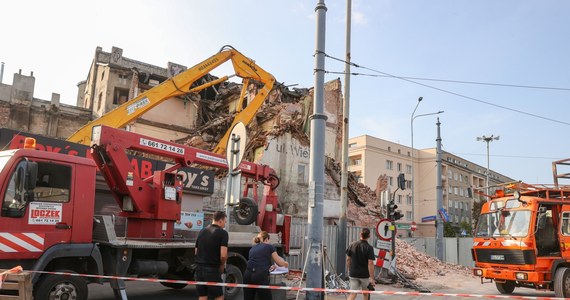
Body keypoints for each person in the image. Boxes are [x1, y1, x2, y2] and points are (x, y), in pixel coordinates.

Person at [243, 231, 288, 300]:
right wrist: (285, 263)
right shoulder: (269, 246)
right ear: (266, 239)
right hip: (259, 276)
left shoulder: (252, 248)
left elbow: (257, 262)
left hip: (247, 275)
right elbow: (279, 262)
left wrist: (269, 267)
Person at [194, 211, 228, 300]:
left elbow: (196, 251)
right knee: (219, 296)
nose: (225, 224)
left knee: (202, 295)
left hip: (199, 268)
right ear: (220, 220)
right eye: (225, 221)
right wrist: (222, 265)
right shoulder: (223, 233)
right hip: (212, 269)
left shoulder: (202, 231)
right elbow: (223, 255)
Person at [346, 228, 376, 300]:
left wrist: (349, 270)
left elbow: (348, 259)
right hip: (364, 275)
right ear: (369, 236)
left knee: (353, 294)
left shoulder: (352, 245)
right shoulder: (369, 248)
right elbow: (370, 263)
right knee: (366, 294)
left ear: (360, 234)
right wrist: (372, 278)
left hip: (353, 274)